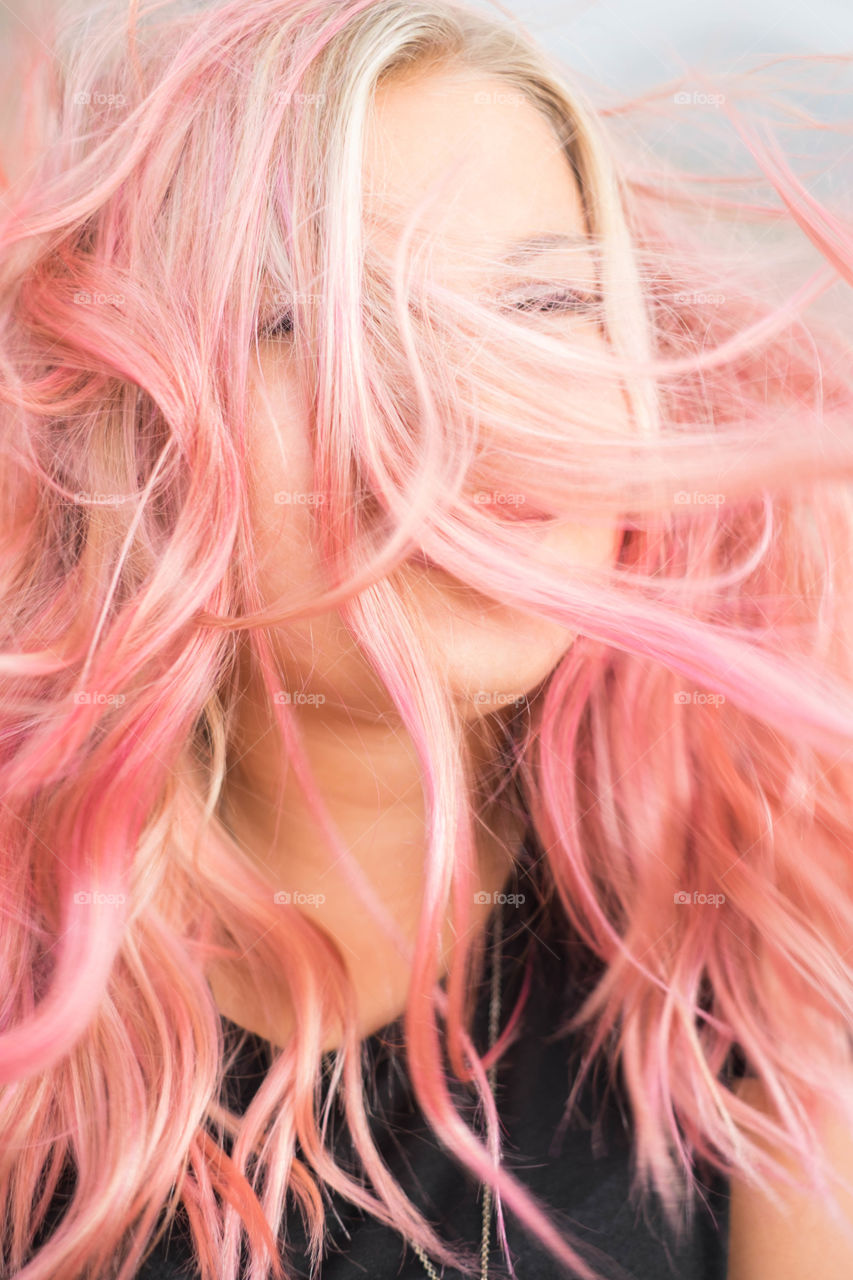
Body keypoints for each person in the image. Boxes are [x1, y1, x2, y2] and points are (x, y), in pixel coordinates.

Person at [1, 1, 853, 1278]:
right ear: (140, 435)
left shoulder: (770, 917)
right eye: (314, 317)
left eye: (549, 299)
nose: (473, 397)